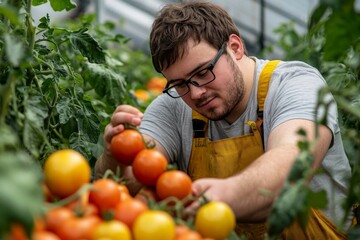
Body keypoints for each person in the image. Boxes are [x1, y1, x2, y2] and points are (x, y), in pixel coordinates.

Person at [95, 1, 352, 239]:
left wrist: (221, 196)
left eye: (203, 72)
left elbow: (292, 166)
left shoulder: (295, 84)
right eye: (180, 83)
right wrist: (115, 154)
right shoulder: (172, 106)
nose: (195, 92)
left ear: (235, 48)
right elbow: (130, 182)